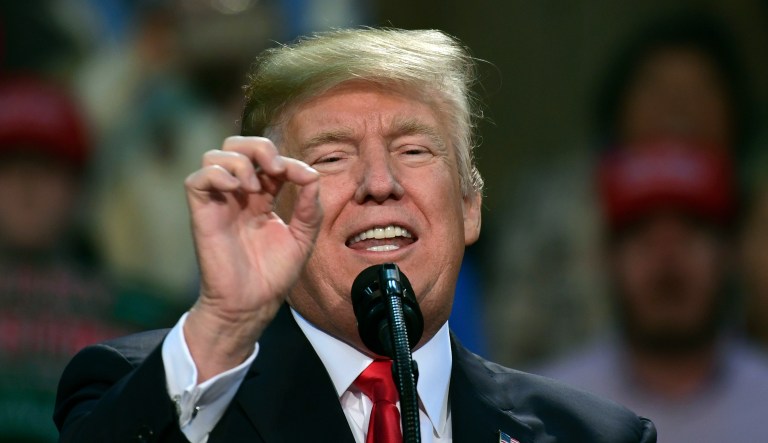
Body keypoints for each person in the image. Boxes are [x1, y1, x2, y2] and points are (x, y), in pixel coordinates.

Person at [54, 28, 656, 442]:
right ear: (271, 210)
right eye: (333, 157)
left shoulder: (594, 436)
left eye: (413, 150)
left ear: (470, 205)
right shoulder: (147, 387)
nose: (379, 184)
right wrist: (224, 327)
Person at [538, 142, 768, 442]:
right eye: (643, 236)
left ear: (729, 253)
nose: (667, 259)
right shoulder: (547, 414)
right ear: (607, 257)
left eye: (690, 233)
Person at [0, 76, 178, 442]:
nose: (27, 186)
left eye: (46, 168)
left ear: (79, 188)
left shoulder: (143, 316)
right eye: (10, 167)